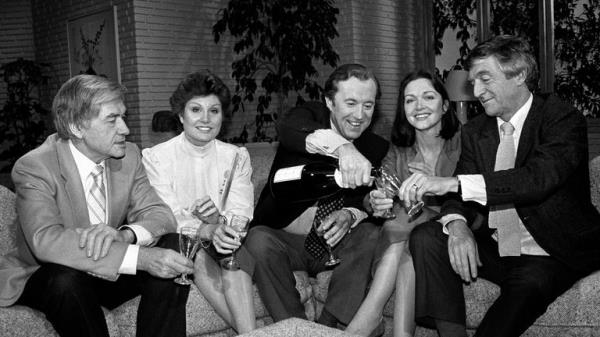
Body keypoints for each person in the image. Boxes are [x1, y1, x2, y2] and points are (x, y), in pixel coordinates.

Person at [400, 35, 600, 337]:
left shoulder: (561, 118)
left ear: (518, 74)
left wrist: (451, 183)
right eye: (473, 81)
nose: (476, 91)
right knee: (427, 236)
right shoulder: (475, 131)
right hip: (497, 248)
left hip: (550, 253)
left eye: (485, 79)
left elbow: (536, 179)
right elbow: (460, 196)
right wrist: (457, 226)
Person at [0, 75, 193, 337]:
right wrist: (138, 257)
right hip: (49, 273)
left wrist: (124, 234)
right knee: (65, 280)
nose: (125, 129)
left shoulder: (129, 155)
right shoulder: (36, 166)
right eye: (112, 119)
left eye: (123, 117)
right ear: (77, 126)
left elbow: (160, 215)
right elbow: (45, 241)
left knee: (172, 243)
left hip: (106, 271)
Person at [245, 63, 389, 330]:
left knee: (370, 234)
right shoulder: (305, 117)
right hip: (284, 240)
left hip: (334, 246)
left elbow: (366, 198)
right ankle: (297, 329)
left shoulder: (376, 147)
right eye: (351, 103)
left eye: (368, 105)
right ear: (329, 102)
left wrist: (351, 213)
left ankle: (329, 325)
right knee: (257, 240)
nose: (360, 115)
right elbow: (288, 128)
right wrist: (342, 147)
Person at [346, 70, 461, 337]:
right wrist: (375, 201)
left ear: (445, 105)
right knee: (408, 240)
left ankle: (367, 319)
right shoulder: (399, 151)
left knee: (404, 220)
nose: (418, 106)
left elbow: (472, 192)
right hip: (411, 238)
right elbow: (379, 192)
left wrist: (434, 182)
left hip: (457, 227)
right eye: (409, 100)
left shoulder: (464, 143)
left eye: (428, 97)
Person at [142, 71, 256, 334]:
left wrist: (218, 222)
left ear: (222, 117)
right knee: (197, 253)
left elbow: (241, 212)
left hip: (226, 243)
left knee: (231, 250)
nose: (205, 119)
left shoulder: (237, 156)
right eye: (196, 109)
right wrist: (205, 228)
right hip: (181, 241)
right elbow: (166, 214)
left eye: (214, 111)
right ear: (181, 115)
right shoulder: (155, 158)